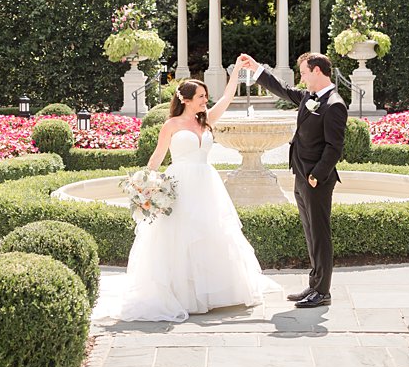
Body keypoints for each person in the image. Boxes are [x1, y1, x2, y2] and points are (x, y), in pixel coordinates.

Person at [93, 56, 278, 323]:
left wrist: (237, 71)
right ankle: (184, 294)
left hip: (206, 184)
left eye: (205, 95)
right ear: (186, 99)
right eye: (201, 96)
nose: (205, 100)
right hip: (179, 184)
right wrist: (145, 186)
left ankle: (212, 294)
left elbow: (226, 98)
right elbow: (157, 158)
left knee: (210, 233)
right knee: (178, 237)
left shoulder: (207, 122)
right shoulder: (171, 125)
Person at [238, 52, 346, 308]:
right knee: (310, 233)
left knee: (320, 235)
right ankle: (314, 285)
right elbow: (283, 90)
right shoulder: (309, 97)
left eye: (305, 72)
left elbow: (334, 147)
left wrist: (316, 176)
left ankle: (322, 291)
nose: (302, 77)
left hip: (316, 180)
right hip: (301, 175)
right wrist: (257, 68)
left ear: (317, 71)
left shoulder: (334, 104)